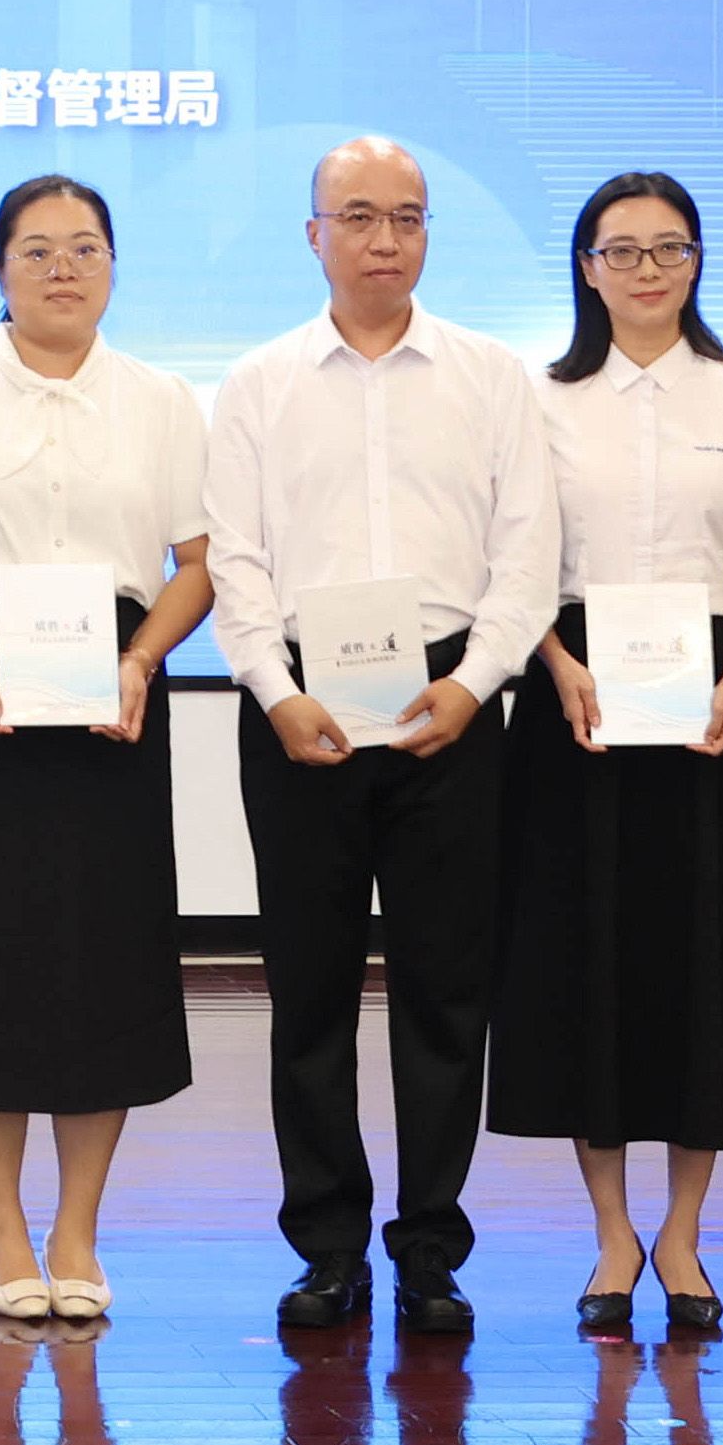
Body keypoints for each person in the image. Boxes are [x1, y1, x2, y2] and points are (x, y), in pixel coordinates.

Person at [204, 136, 559, 1334]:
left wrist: (477, 684)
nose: (383, 239)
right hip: (301, 702)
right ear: (315, 235)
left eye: (406, 217)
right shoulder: (258, 382)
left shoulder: (490, 375)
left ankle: (431, 1249)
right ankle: (327, 1246)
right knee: (309, 991)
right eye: (357, 216)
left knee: (446, 991)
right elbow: (236, 559)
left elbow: (528, 555)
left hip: (449, 699)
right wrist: (273, 688)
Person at [497, 173, 723, 1336]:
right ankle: (610, 1233)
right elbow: (509, 565)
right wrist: (554, 661)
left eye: (670, 248)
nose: (647, 269)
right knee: (585, 959)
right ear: (585, 267)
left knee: (705, 961)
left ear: (697, 261)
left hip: (711, 702)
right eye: (622, 250)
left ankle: (684, 1233)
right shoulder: (535, 400)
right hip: (577, 696)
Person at [0, 176, 212, 1324]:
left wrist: (143, 658)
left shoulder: (163, 398)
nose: (62, 268)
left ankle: (76, 1226)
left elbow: (198, 563)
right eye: (36, 249)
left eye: (84, 248)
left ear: (113, 265)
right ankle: (2, 1224)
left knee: (103, 957)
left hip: (117, 686)